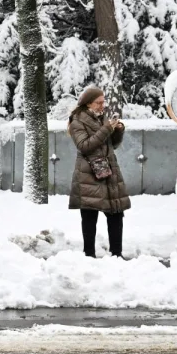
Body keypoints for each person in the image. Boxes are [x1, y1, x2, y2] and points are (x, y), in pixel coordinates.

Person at [68, 86, 131, 258]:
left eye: (103, 102)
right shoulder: (77, 122)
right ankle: (89, 254)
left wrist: (117, 131)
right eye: (99, 102)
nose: (103, 105)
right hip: (89, 173)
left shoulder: (101, 119)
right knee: (89, 215)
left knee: (116, 213)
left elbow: (112, 145)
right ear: (88, 104)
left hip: (108, 172)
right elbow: (85, 146)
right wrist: (106, 129)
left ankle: (117, 254)